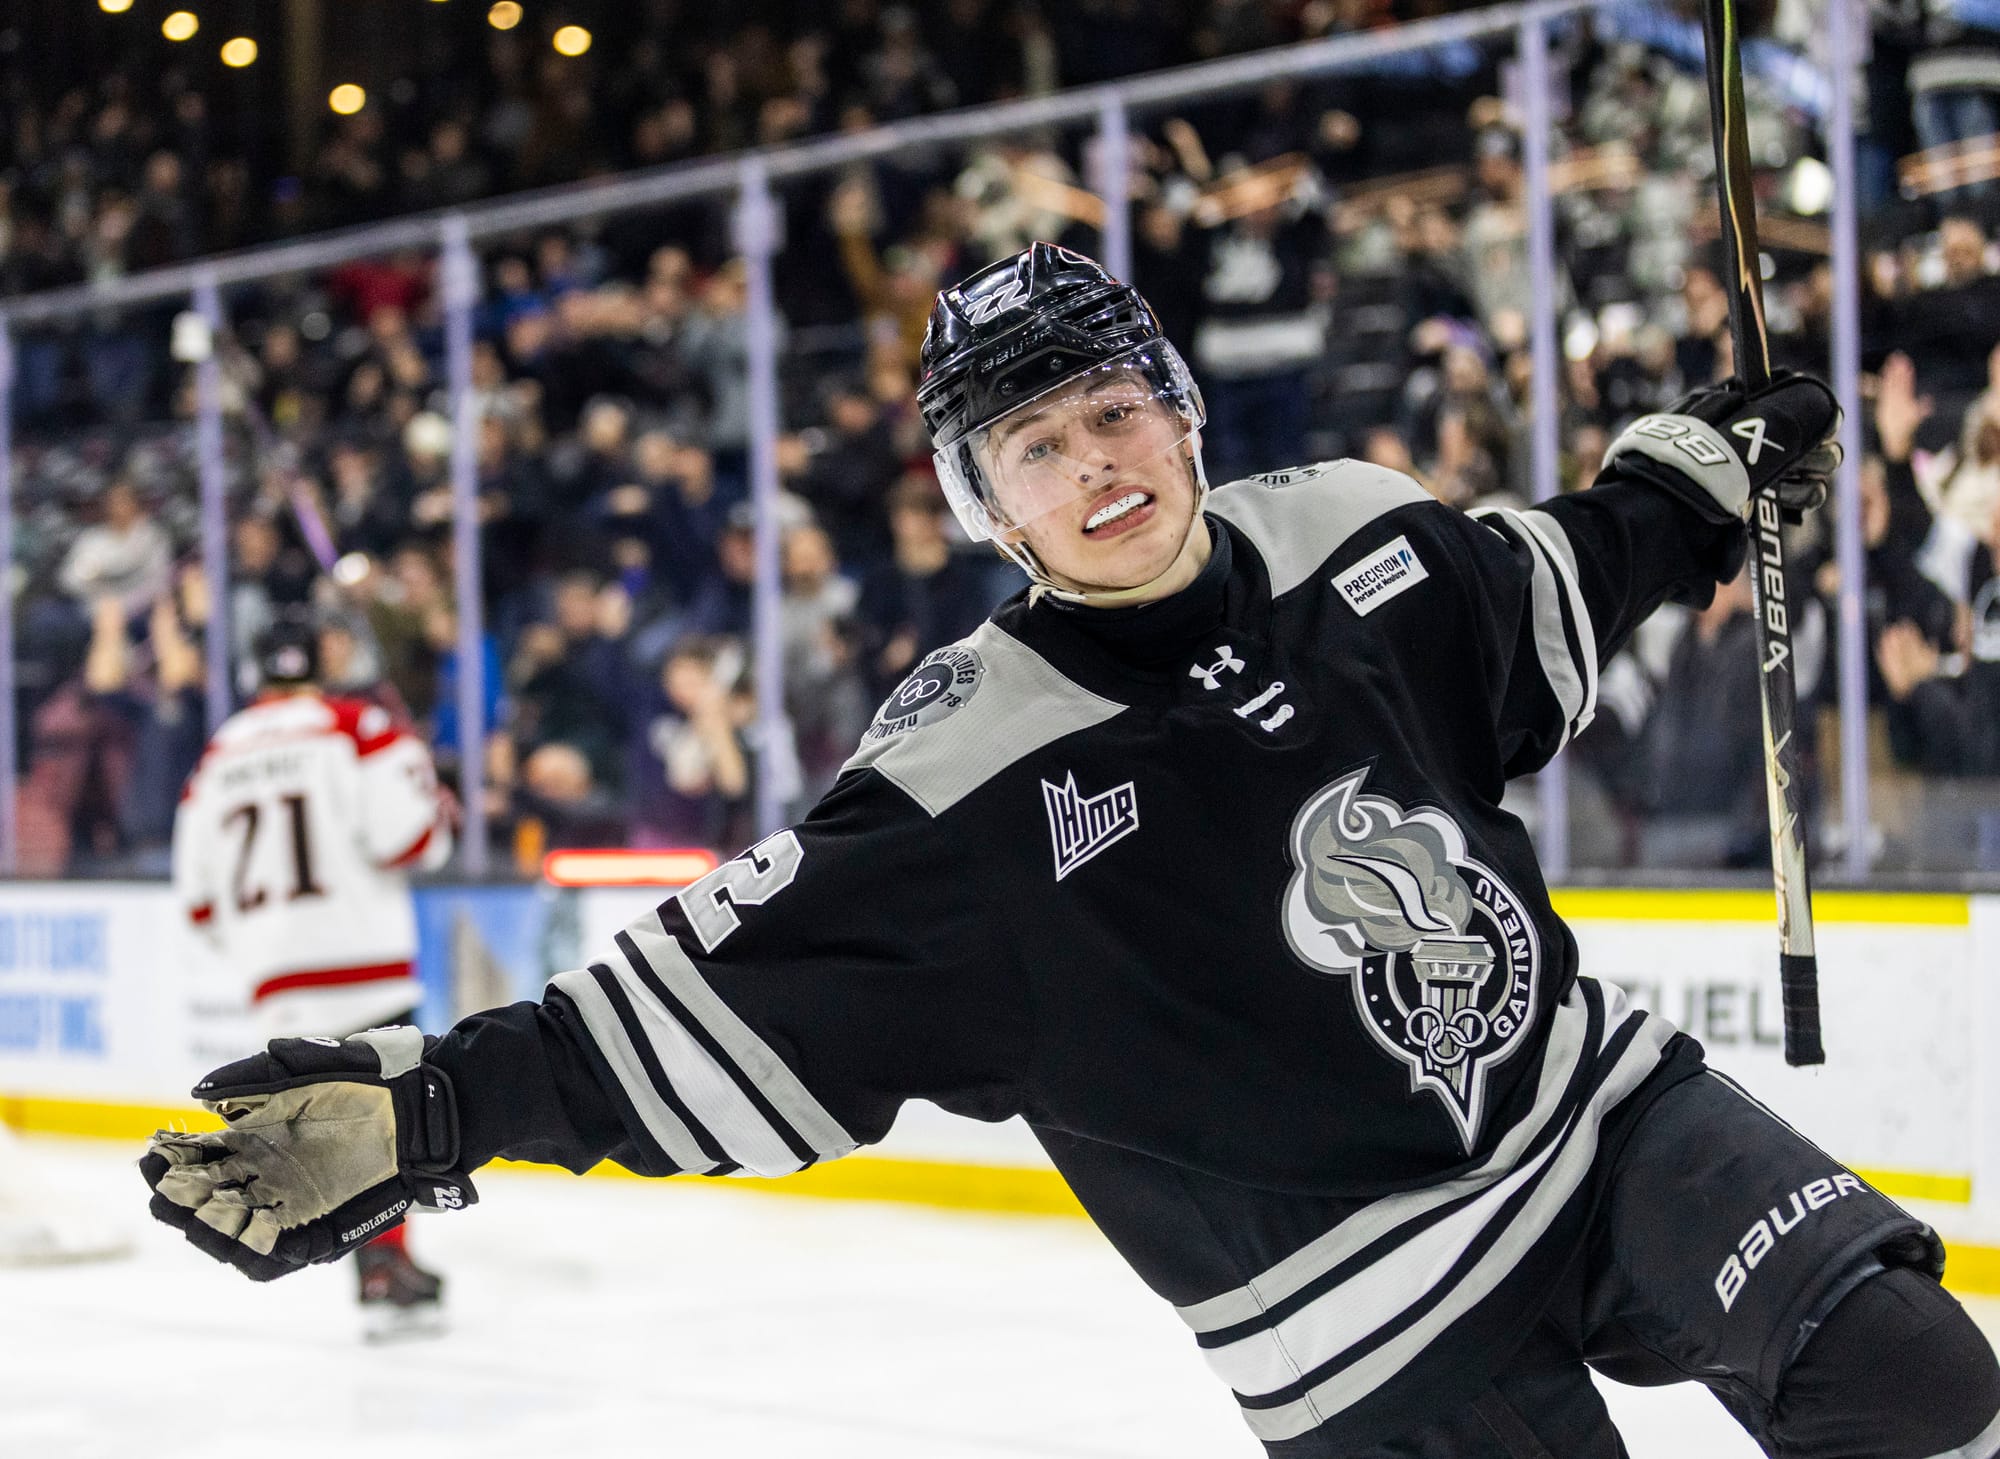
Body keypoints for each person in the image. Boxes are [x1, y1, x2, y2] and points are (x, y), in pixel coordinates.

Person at [142, 245, 1999, 1456]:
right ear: (982, 504)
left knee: (1917, 1373)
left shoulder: (1353, 529)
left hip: (1593, 1120)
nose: (1096, 463)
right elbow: (695, 1006)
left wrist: (1695, 482)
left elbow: (1559, 575)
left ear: (1179, 407)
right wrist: (429, 1115)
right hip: (1346, 1308)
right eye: (1033, 445)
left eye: (1116, 408)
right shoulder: (960, 769)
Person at [168, 610, 455, 1338]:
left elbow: (199, 903)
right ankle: (382, 1257)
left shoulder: (216, 756)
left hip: (276, 974)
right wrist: (436, 802)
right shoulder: (355, 724)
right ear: (319, 661)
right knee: (392, 1118)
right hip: (367, 957)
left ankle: (370, 1255)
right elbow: (411, 838)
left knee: (329, 1125)